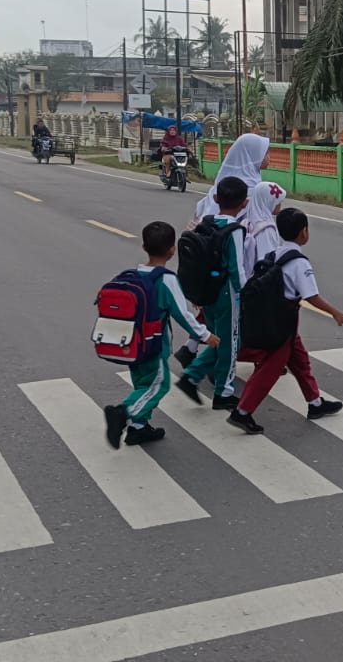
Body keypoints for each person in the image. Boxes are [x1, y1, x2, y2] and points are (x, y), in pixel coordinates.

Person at [227, 208, 343, 434]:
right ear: (304, 233)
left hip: (273, 317)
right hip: (283, 322)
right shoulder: (299, 262)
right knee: (270, 369)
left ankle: (315, 403)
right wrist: (335, 312)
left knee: (300, 360)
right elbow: (311, 296)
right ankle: (242, 411)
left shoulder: (273, 254)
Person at [104, 222, 221, 449]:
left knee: (143, 383)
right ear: (172, 250)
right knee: (159, 385)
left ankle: (139, 428)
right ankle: (124, 413)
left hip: (130, 343)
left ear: (144, 246)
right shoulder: (166, 279)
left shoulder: (134, 274)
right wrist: (205, 335)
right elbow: (183, 314)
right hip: (153, 346)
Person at [178, 133, 271, 367]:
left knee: (215, 307)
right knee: (238, 316)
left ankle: (191, 349)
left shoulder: (221, 186)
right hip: (237, 261)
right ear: (251, 156)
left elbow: (198, 220)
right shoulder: (251, 191)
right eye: (264, 153)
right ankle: (236, 361)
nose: (268, 157)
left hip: (209, 260)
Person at [176, 177, 250, 410]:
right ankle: (223, 392)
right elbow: (237, 269)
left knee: (218, 338)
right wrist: (246, 295)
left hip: (205, 291)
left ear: (216, 198)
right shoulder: (234, 230)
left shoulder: (206, 222)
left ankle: (193, 375)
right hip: (227, 294)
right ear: (245, 203)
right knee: (231, 343)